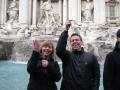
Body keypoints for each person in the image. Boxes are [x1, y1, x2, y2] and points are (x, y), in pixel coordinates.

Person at [56, 20, 100, 90]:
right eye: (72, 41)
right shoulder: (67, 56)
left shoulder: (91, 57)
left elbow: (96, 76)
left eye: (77, 40)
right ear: (70, 44)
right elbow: (59, 50)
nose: (75, 42)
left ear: (81, 42)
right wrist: (65, 31)